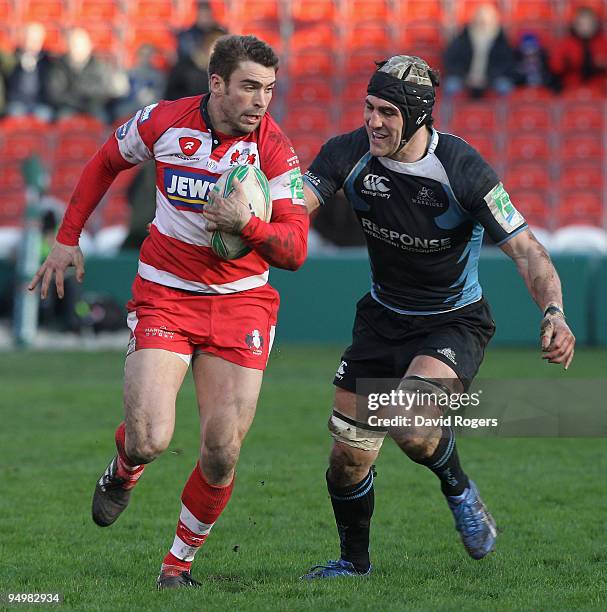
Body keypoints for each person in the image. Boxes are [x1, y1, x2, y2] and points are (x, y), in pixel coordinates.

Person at [28, 34, 308, 589]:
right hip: (166, 295)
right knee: (149, 437)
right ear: (217, 84)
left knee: (222, 452)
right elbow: (106, 160)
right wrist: (67, 238)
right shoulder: (162, 122)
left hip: (242, 304)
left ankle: (177, 567)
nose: (261, 101)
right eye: (250, 87)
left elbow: (295, 249)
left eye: (270, 90)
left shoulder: (275, 150)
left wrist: (246, 226)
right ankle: (124, 469)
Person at [300, 55, 575, 579]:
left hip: (452, 322)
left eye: (387, 112)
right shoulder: (347, 153)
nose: (373, 122)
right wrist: (246, 211)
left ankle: (459, 489)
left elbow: (527, 251)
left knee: (407, 419)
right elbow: (292, 209)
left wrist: (555, 311)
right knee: (346, 461)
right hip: (381, 319)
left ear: (419, 116)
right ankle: (354, 565)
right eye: (368, 107)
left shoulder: (462, 170)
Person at [443, 3, 515, 97]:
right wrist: (465, 76)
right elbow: (451, 59)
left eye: (486, 20)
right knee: (450, 86)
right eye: (480, 19)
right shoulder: (463, 37)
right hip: (465, 78)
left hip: (492, 79)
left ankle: (502, 111)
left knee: (505, 87)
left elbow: (506, 63)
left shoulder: (500, 39)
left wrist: (488, 78)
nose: (483, 22)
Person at [550, 5, 607, 91]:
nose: (585, 27)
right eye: (582, 24)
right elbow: (555, 68)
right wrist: (568, 63)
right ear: (575, 24)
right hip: (571, 89)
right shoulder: (565, 44)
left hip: (600, 90)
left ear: (596, 24)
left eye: (589, 23)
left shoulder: (603, 43)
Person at [5, 22, 53, 120]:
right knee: (14, 115)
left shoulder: (48, 59)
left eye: (35, 40)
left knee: (45, 115)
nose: (31, 43)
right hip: (17, 102)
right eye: (28, 38)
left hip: (40, 102)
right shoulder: (11, 58)